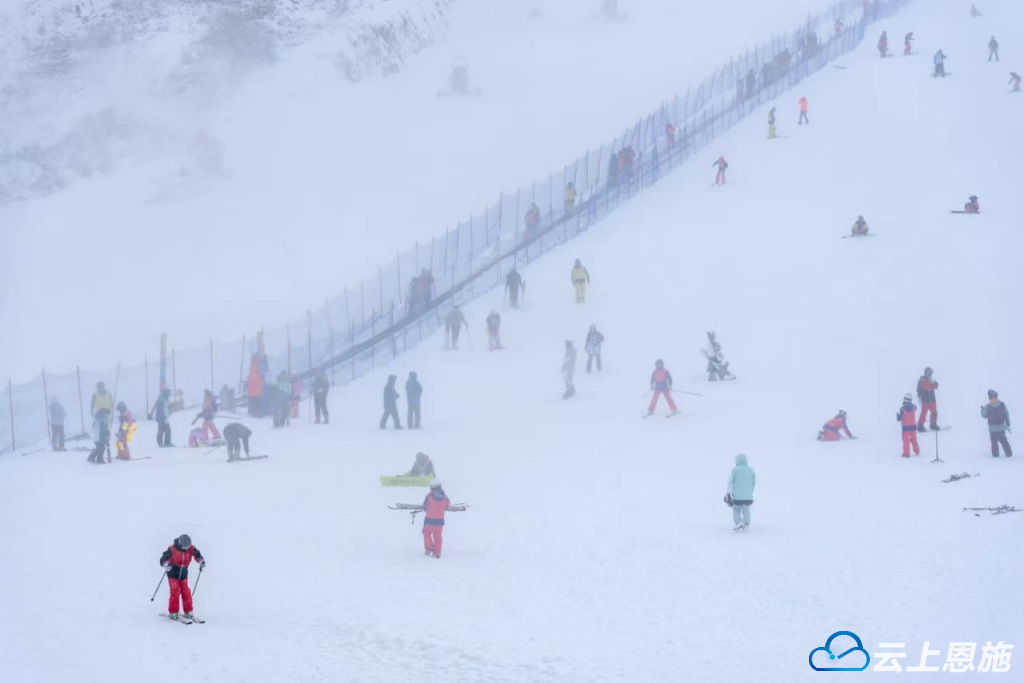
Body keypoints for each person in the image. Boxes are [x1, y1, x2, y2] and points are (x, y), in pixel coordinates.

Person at [159, 534, 205, 620]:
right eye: (184, 548)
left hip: (183, 572)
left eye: (187, 547)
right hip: (173, 573)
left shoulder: (191, 548)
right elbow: (163, 560)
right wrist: (166, 565)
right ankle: (173, 612)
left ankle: (188, 611)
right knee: (175, 591)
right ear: (179, 544)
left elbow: (197, 555)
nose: (186, 549)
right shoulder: (172, 549)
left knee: (186, 591)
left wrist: (201, 561)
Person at [421, 481, 463, 559]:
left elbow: (425, 507)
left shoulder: (429, 496)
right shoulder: (444, 497)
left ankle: (429, 547)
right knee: (438, 536)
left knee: (426, 533)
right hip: (439, 521)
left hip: (429, 520)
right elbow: (448, 503)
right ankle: (437, 552)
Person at [726, 454, 756, 531]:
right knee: (746, 509)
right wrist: (750, 492)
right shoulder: (751, 470)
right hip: (748, 496)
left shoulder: (735, 470)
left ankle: (738, 523)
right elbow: (753, 482)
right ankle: (746, 524)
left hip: (737, 496)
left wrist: (728, 493)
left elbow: (731, 482)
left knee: (736, 509)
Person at [981, 390, 1012, 458]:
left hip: (992, 428)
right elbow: (1006, 414)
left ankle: (995, 455)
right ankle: (1009, 453)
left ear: (990, 397)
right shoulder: (1002, 404)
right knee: (1003, 440)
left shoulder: (988, 406)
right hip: (1001, 427)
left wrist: (982, 410)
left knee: (994, 442)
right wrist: (1008, 423)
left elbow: (984, 415)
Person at [916, 367, 939, 431]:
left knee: (934, 412)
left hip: (932, 399)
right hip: (925, 399)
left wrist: (933, 382)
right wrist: (919, 398)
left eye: (931, 373)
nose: (930, 374)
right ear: (925, 372)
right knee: (923, 413)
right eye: (928, 373)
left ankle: (933, 424)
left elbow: (936, 386)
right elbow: (918, 389)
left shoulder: (931, 379)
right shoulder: (922, 380)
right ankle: (920, 426)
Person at [897, 393, 920, 457]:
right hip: (913, 427)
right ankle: (917, 451)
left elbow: (900, 419)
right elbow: (915, 407)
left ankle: (906, 453)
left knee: (906, 440)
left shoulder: (902, 409)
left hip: (905, 428)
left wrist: (898, 416)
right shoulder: (914, 407)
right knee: (914, 439)